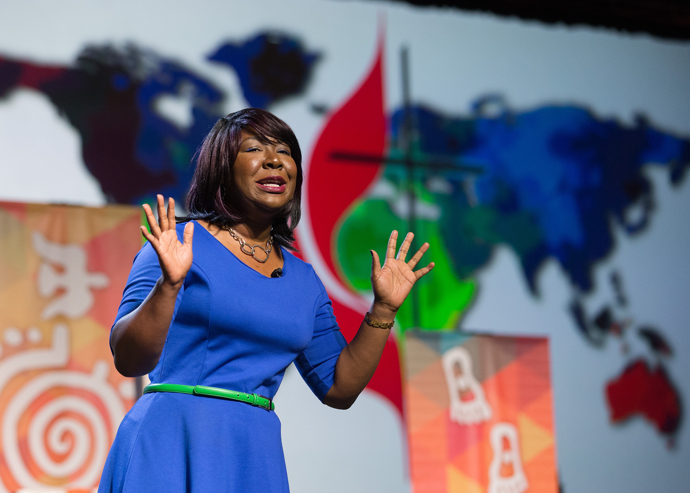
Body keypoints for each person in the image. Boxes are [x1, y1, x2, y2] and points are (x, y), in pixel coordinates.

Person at [99, 108, 434, 492]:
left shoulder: (304, 280)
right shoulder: (178, 244)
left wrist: (384, 309)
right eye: (255, 148)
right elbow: (128, 360)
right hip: (172, 440)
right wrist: (169, 286)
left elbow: (339, 388)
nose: (274, 160)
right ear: (222, 168)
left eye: (285, 151)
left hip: (253, 452)